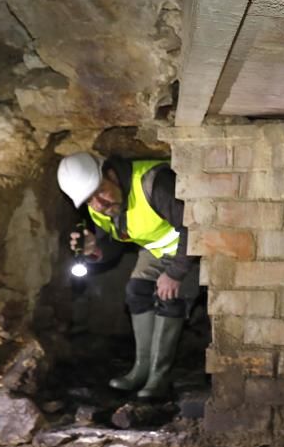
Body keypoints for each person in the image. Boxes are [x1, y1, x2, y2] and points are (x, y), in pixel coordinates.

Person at [56, 152, 199, 399]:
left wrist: (175, 273)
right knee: (136, 291)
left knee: (169, 296)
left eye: (100, 192)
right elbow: (117, 243)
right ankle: (141, 369)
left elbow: (194, 226)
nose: (99, 204)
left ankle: (159, 377)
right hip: (158, 251)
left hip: (194, 249)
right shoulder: (101, 209)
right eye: (89, 201)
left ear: (111, 174)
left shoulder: (154, 184)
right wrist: (95, 250)